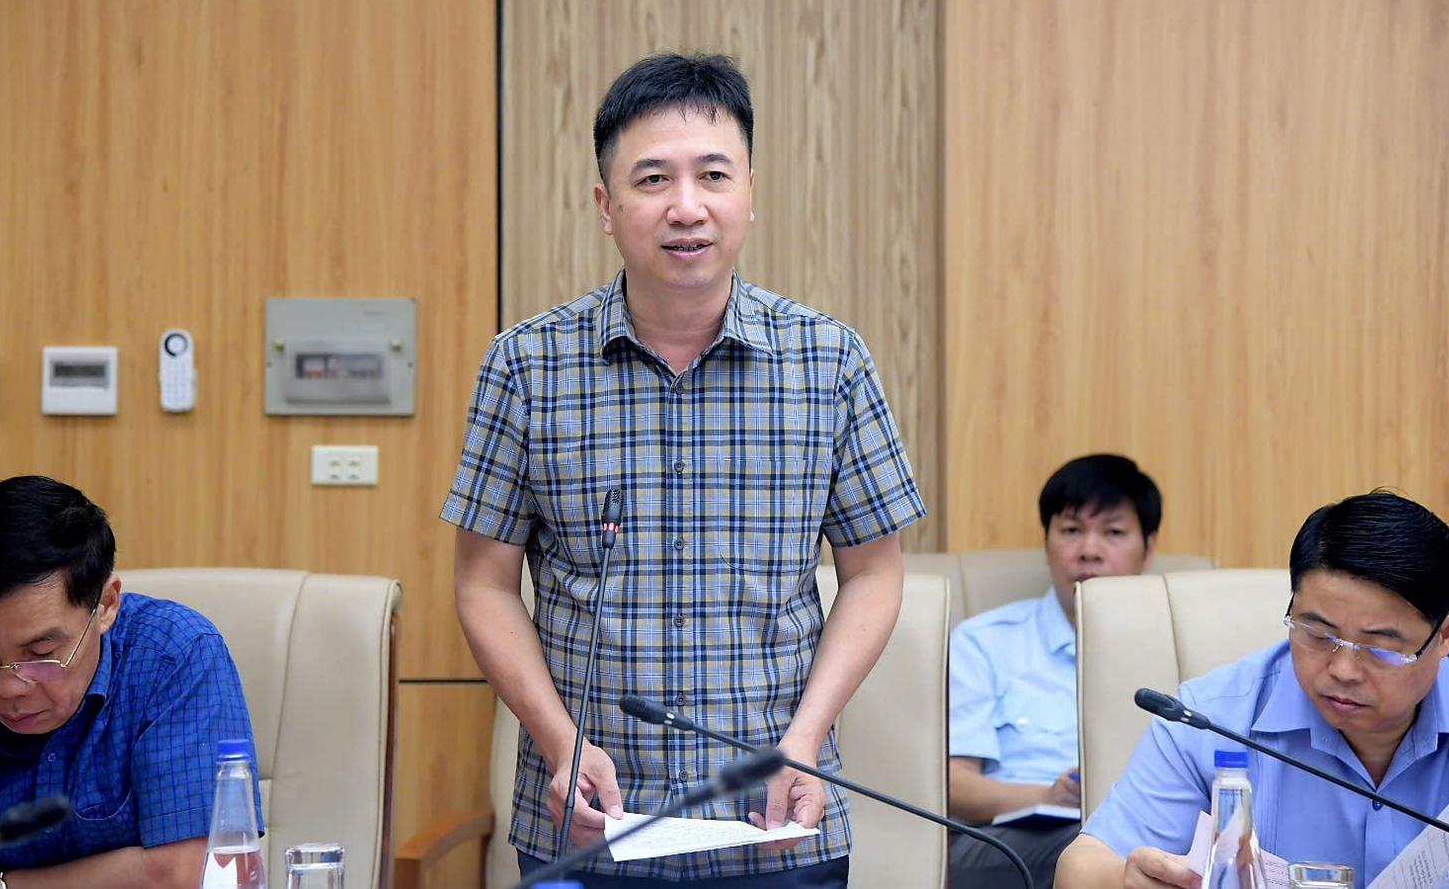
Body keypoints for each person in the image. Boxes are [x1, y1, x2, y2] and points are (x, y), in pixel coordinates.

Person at [445, 52, 924, 886]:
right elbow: (484, 583)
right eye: (653, 179)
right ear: (606, 205)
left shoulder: (830, 362)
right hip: (587, 822)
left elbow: (874, 573)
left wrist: (806, 737)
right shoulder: (526, 365)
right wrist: (560, 741)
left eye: (713, 174)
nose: (687, 206)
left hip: (775, 826)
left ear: (751, 193)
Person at [1056, 490, 1449, 889]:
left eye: (1379, 647)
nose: (1343, 670)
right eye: (1318, 634)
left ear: (1446, 635)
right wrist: (1127, 879)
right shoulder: (1210, 719)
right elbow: (1080, 869)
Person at [0, 475, 258, 889]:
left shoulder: (174, 658)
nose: (8, 687)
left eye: (40, 653)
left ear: (106, 605)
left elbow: (192, 872)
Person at [945, 454, 1162, 888]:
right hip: (1006, 839)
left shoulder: (1171, 646)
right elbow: (952, 786)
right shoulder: (983, 642)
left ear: (1149, 548)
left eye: (1114, 532)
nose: (1089, 550)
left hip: (1142, 829)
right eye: (1071, 530)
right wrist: (1048, 796)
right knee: (1099, 853)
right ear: (1046, 543)